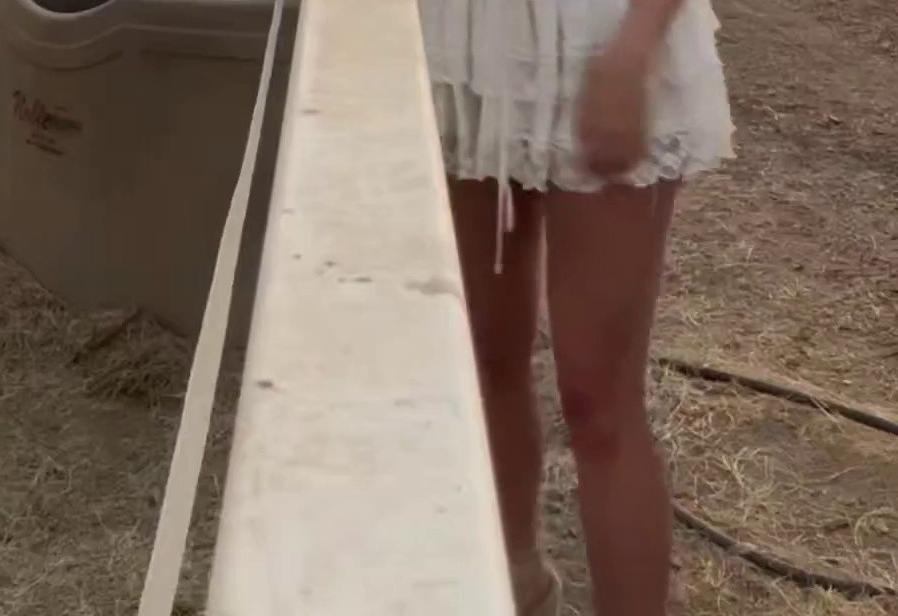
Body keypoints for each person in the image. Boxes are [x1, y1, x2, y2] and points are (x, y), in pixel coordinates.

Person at [419, 0, 734, 615]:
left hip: (606, 37)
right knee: (481, 355)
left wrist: (635, 49)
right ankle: (514, 585)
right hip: (463, 44)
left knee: (598, 398)